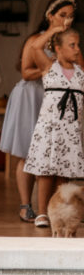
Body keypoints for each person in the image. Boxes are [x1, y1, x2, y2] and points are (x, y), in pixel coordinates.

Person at [0, 0, 77, 222]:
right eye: (62, 15)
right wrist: (46, 69)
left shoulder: (67, 43)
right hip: (30, 96)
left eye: (70, 16)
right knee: (28, 151)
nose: (67, 20)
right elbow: (25, 72)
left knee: (51, 152)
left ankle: (54, 208)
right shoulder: (36, 40)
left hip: (53, 100)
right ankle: (26, 206)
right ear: (50, 16)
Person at [23, 26, 84, 228]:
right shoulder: (49, 66)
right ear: (58, 48)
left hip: (70, 130)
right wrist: (56, 29)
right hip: (50, 129)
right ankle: (42, 213)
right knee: (46, 172)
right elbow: (35, 46)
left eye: (78, 45)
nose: (76, 49)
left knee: (63, 173)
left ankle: (61, 212)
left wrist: (72, 40)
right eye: (72, 45)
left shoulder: (80, 71)